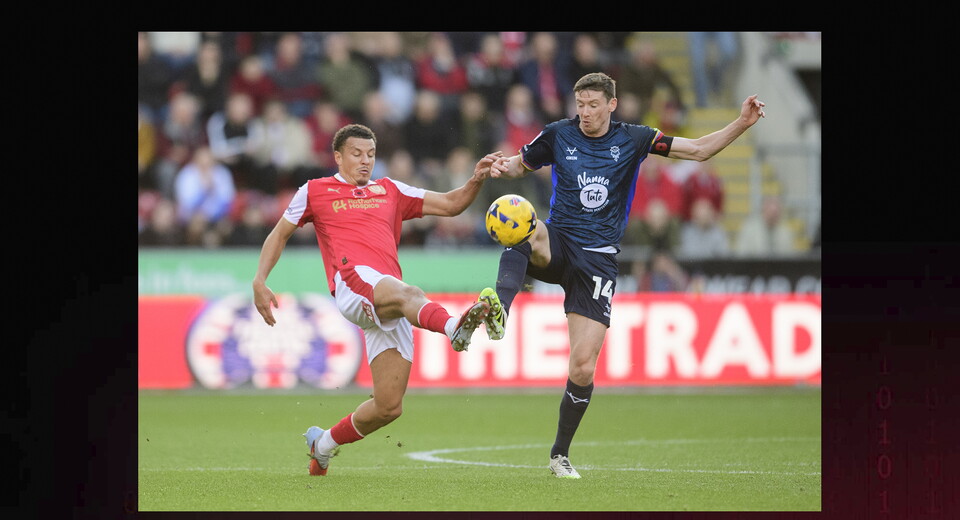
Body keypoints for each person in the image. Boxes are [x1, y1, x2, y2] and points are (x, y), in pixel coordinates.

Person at [483, 72, 765, 478]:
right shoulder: (558, 134)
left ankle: (559, 455)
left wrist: (741, 123)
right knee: (521, 224)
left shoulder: (635, 138)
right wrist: (501, 166)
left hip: (598, 261)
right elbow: (520, 165)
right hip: (560, 240)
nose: (585, 113)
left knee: (582, 366)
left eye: (593, 105)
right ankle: (500, 311)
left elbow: (699, 150)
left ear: (612, 104)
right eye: (580, 105)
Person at [251, 124, 506, 476]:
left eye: (371, 154)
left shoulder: (390, 190)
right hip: (353, 284)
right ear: (337, 156)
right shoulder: (314, 191)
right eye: (356, 154)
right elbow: (279, 234)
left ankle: (322, 444)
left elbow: (451, 204)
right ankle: (452, 327)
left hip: (386, 297)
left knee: (388, 407)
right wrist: (260, 280)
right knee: (410, 293)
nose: (365, 161)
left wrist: (476, 179)